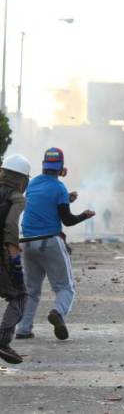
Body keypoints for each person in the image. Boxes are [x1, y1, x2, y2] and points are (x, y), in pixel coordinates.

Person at [16, 148, 95, 341]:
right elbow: (67, 220)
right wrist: (85, 215)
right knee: (65, 287)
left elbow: (41, 204)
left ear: (43, 165)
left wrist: (66, 199)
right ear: (62, 169)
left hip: (26, 243)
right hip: (49, 242)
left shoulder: (32, 184)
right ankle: (57, 312)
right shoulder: (58, 188)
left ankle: (23, 330)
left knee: (31, 290)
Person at [0, 155, 31, 364]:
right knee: (20, 296)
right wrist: (15, 261)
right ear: (22, 179)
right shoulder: (17, 197)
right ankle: (3, 341)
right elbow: (11, 227)